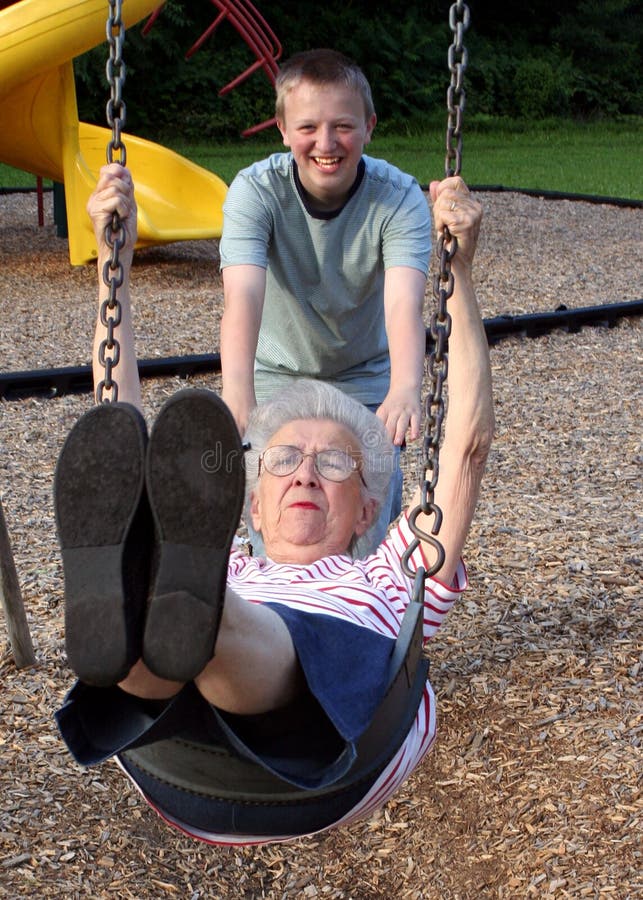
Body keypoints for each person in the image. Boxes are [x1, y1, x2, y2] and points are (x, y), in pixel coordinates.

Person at [53, 162, 493, 845]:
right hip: (176, 743)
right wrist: (114, 263)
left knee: (219, 615)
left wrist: (458, 279)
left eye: (335, 462)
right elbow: (113, 438)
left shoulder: (391, 570)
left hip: (327, 741)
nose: (305, 475)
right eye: (282, 460)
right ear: (251, 509)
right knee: (161, 591)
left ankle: (165, 600)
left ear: (366, 508)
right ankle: (135, 600)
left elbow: (464, 447)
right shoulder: (226, 558)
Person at [219, 48, 433, 553]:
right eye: (309, 127)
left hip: (364, 375)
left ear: (369, 126)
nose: (326, 143)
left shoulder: (398, 199)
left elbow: (404, 301)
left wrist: (404, 386)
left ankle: (361, 618)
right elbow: (243, 294)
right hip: (278, 371)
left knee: (362, 518)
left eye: (343, 126)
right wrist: (237, 391)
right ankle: (276, 621)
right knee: (277, 521)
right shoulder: (256, 192)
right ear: (283, 128)